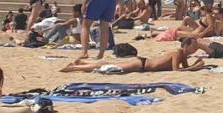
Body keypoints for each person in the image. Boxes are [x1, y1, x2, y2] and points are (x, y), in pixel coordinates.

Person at [60, 39, 206, 73]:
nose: (193, 51)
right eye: (192, 48)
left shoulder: (183, 55)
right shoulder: (178, 53)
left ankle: (83, 63)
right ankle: (75, 67)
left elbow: (186, 68)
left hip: (142, 63)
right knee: (110, 67)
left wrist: (196, 66)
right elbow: (176, 71)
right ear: (185, 46)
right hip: (141, 65)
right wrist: (196, 68)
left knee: (110, 65)